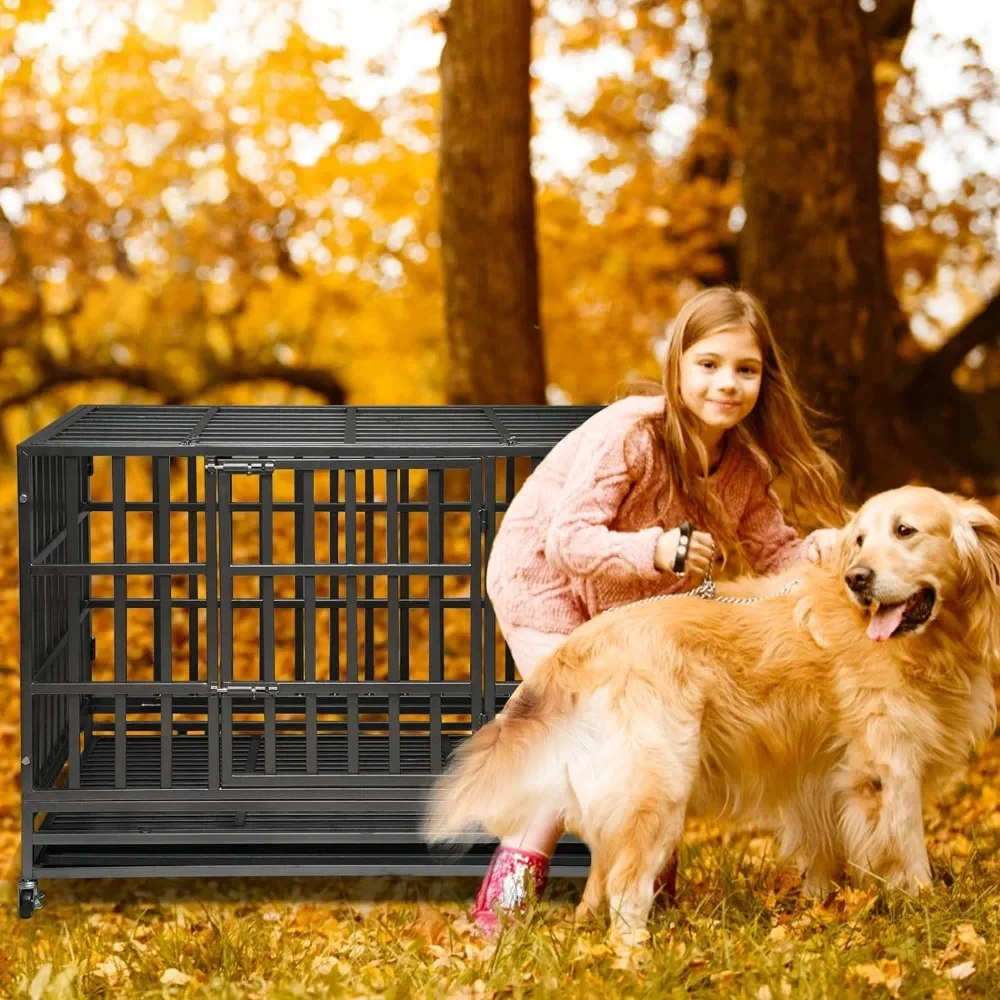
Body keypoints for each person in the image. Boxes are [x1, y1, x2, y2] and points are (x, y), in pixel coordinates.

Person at [473, 285, 848, 936]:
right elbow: (568, 540)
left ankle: (639, 891)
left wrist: (838, 552)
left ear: (765, 378)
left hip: (632, 616)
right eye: (708, 364)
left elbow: (778, 555)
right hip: (545, 587)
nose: (726, 383)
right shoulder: (631, 434)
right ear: (677, 366)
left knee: (649, 747)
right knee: (579, 734)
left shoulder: (743, 467)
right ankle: (500, 906)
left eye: (745, 369)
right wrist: (660, 549)